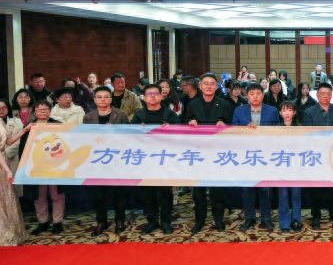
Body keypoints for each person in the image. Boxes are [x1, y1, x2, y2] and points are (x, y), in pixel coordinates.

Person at [184, 73, 233, 233]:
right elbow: (183, 123)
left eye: (212, 83)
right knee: (198, 190)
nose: (209, 86)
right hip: (198, 152)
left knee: (217, 189)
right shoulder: (192, 104)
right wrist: (190, 122)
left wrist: (224, 124)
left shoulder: (224, 104)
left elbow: (232, 125)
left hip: (217, 152)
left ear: (217, 86)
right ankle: (199, 220)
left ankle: (218, 219)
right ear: (200, 86)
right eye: (206, 83)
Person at [130, 84, 180, 234]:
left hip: (165, 159)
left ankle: (166, 221)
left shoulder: (170, 114)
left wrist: (171, 129)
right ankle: (151, 221)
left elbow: (181, 135)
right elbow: (130, 137)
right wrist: (139, 131)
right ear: (144, 98)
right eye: (149, 94)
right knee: (147, 193)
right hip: (145, 160)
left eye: (155, 93)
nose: (152, 96)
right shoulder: (139, 115)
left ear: (161, 96)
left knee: (165, 192)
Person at [232, 82, 280, 230]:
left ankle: (266, 218)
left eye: (258, 94)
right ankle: (249, 218)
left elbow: (278, 132)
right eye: (251, 94)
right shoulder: (239, 111)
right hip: (246, 156)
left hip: (265, 155)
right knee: (247, 188)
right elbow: (233, 131)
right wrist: (243, 130)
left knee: (265, 189)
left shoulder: (272, 111)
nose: (255, 97)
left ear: (263, 95)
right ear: (246, 96)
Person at [83, 86, 130, 236]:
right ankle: (101, 222)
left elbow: (129, 137)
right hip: (97, 160)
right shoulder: (88, 117)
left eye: (106, 97)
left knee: (119, 193)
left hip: (117, 159)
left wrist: (114, 132)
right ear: (94, 99)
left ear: (110, 99)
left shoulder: (121, 115)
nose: (103, 99)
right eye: (99, 97)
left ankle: (120, 220)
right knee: (99, 194)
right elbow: (84, 139)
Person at [302, 82, 333, 228]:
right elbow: (307, 136)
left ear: (331, 95)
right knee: (316, 188)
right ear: (317, 95)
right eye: (322, 94)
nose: (325, 96)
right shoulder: (309, 112)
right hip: (317, 156)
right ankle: (316, 216)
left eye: (328, 94)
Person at [27, 101, 64, 234]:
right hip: (36, 167)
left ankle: (57, 222)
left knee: (56, 194)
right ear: (35, 112)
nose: (42, 111)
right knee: (40, 195)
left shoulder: (58, 125)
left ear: (50, 110)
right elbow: (24, 148)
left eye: (45, 109)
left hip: (55, 166)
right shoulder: (30, 126)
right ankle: (42, 222)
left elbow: (65, 144)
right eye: (39, 109)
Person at [277, 101, 303, 232]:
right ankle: (284, 223)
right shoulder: (275, 129)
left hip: (296, 167)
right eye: (284, 110)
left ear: (294, 112)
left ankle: (296, 220)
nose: (287, 113)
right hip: (281, 166)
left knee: (296, 194)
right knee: (283, 195)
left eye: (290, 110)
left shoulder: (300, 128)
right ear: (280, 113)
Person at [0, 143, 25, 246]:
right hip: (2, 164)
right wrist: (7, 171)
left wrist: (23, 133)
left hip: (4, 162)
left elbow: (9, 141)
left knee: (6, 198)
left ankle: (10, 231)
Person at [0, 98, 25, 198]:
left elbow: (15, 141)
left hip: (12, 155)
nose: (1, 110)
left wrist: (5, 153)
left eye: (4, 107)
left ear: (8, 108)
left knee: (12, 185)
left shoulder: (17, 121)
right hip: (1, 156)